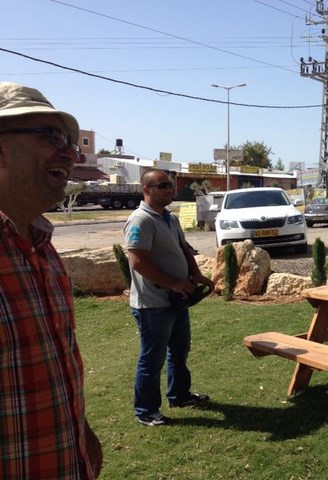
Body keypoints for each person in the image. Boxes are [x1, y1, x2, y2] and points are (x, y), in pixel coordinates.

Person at [0, 82, 102, 478]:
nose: (71, 153)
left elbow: (51, 368)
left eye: (71, 143)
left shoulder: (42, 247)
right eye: (52, 136)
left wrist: (81, 435)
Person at [124, 168, 215, 426]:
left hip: (177, 300)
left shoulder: (169, 218)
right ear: (146, 190)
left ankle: (179, 395)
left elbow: (183, 249)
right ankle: (146, 411)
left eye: (170, 185)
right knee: (151, 359)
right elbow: (138, 261)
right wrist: (174, 282)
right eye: (163, 185)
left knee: (179, 351)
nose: (169, 190)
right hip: (152, 304)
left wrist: (195, 274)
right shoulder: (141, 220)